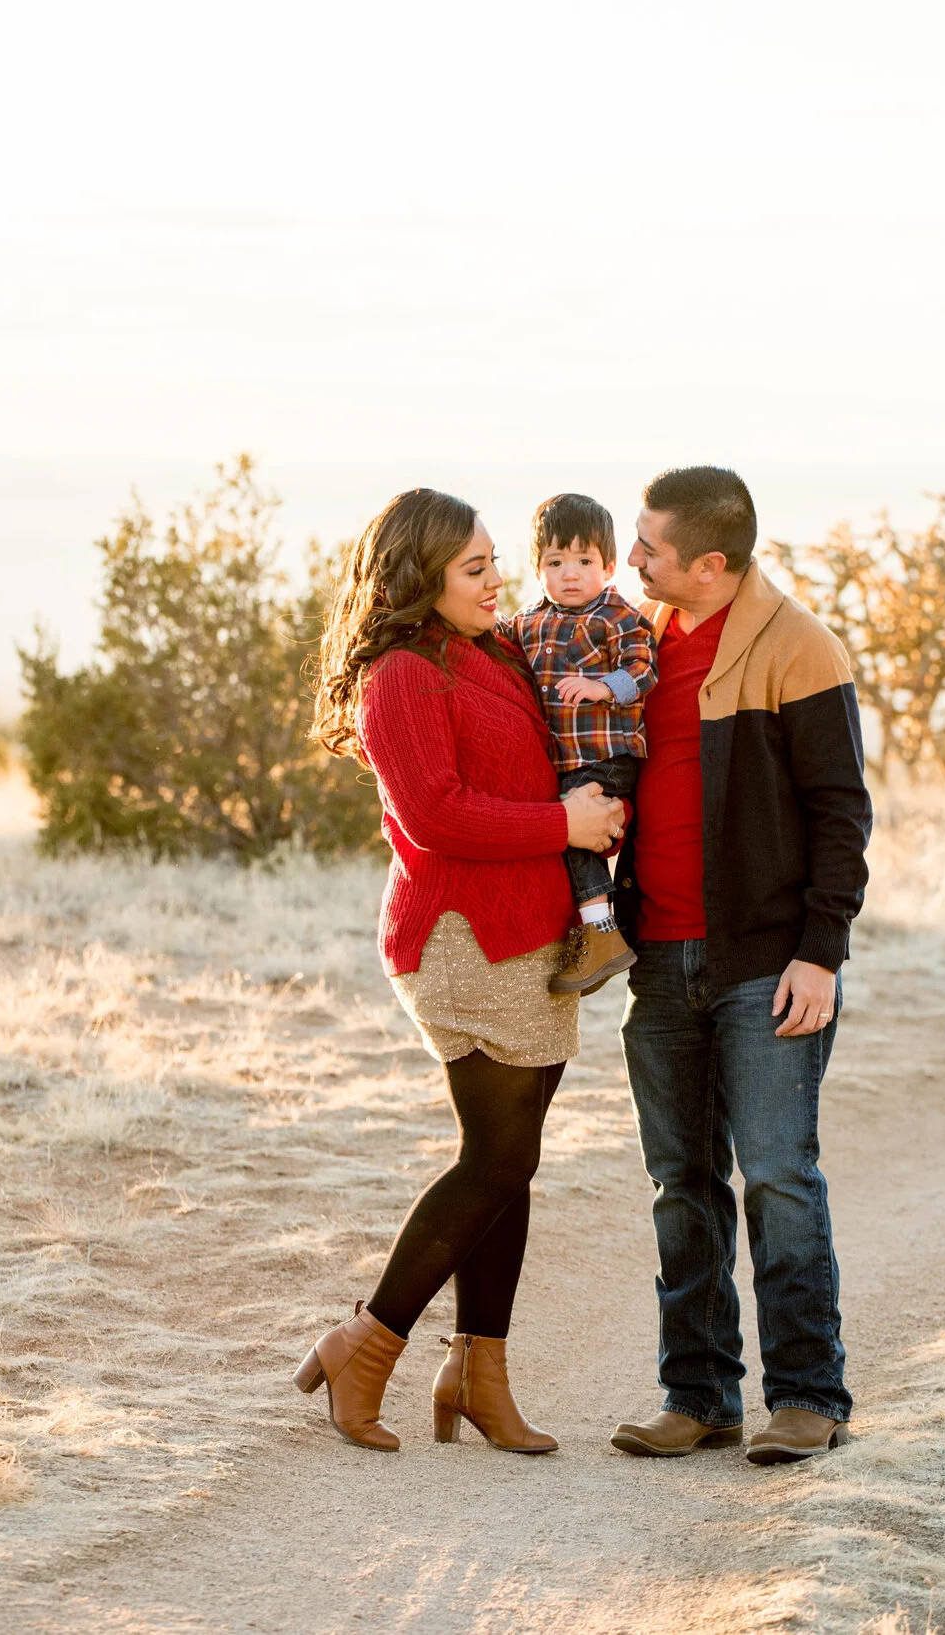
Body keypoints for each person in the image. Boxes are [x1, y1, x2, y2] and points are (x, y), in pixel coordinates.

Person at [296, 488, 629, 1455]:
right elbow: (437, 813)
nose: (498, 581)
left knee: (511, 1161)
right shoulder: (398, 675)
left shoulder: (489, 650)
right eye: (475, 568)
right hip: (461, 939)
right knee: (495, 1158)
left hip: (533, 936)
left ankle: (480, 1370)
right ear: (421, 577)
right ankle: (368, 1340)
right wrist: (563, 825)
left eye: (495, 563)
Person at [606, 465, 872, 1466]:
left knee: (775, 1178)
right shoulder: (640, 640)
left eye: (651, 548)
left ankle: (806, 1394)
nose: (634, 560)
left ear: (710, 566)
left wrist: (819, 951)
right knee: (680, 1183)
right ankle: (699, 1394)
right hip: (659, 957)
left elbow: (842, 812)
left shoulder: (799, 647)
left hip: (767, 962)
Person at [497, 493, 658, 996]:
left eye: (584, 561)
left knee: (572, 822)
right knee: (557, 831)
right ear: (537, 567)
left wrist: (605, 686)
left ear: (608, 566)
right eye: (556, 561)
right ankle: (584, 927)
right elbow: (495, 646)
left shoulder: (617, 616)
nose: (571, 573)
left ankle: (600, 930)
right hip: (561, 759)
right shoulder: (527, 621)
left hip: (607, 756)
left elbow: (643, 667)